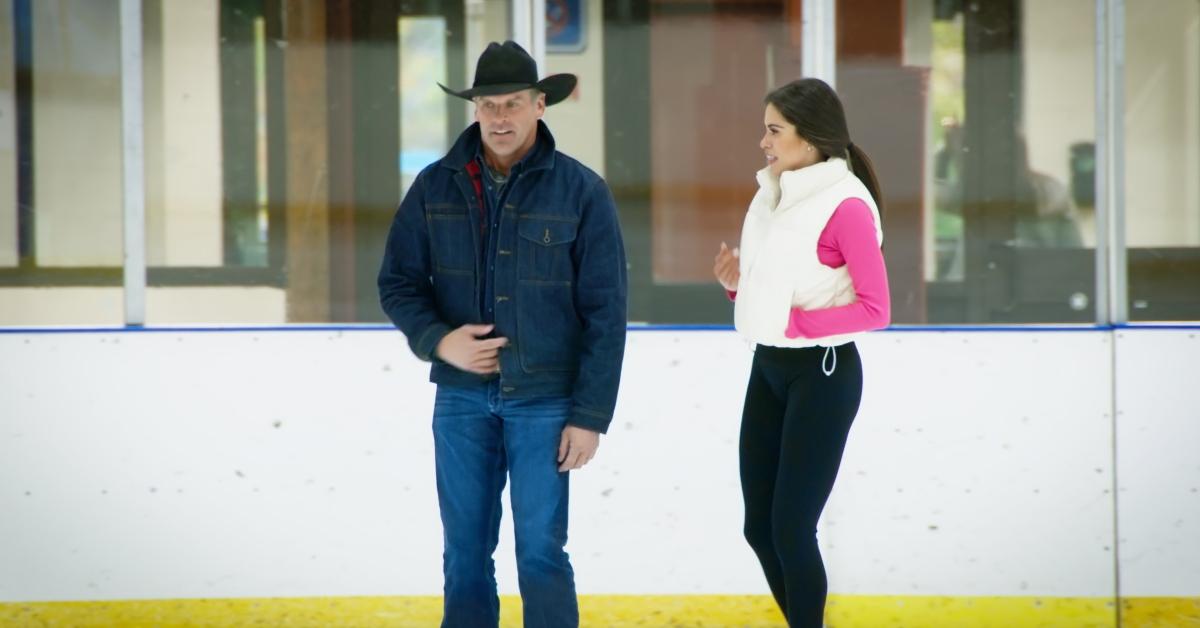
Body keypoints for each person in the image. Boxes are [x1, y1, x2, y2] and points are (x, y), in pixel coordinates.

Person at [377, 40, 627, 628]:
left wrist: (590, 415)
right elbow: (397, 282)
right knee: (464, 556)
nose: (500, 117)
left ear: (541, 105)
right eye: (489, 105)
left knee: (540, 554)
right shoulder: (434, 187)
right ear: (475, 110)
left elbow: (605, 312)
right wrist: (440, 340)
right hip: (461, 399)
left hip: (547, 402)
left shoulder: (583, 192)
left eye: (513, 103)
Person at [712, 78, 891, 627]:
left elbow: (875, 308)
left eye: (774, 130)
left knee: (791, 528)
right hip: (769, 366)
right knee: (759, 527)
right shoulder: (772, 194)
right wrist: (736, 288)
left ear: (810, 138)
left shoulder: (846, 207)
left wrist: (794, 324)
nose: (763, 142)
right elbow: (783, 285)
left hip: (823, 374)